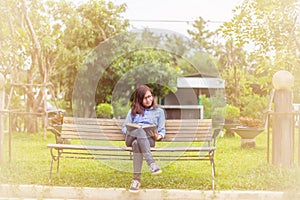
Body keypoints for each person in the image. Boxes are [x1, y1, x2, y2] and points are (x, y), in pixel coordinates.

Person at [122, 85, 166, 193]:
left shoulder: (159, 112)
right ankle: (152, 164)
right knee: (139, 132)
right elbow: (124, 128)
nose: (148, 100)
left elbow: (162, 130)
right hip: (131, 138)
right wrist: (134, 130)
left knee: (137, 144)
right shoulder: (133, 110)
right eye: (145, 98)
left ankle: (136, 181)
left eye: (150, 96)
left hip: (148, 140)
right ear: (139, 99)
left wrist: (158, 136)